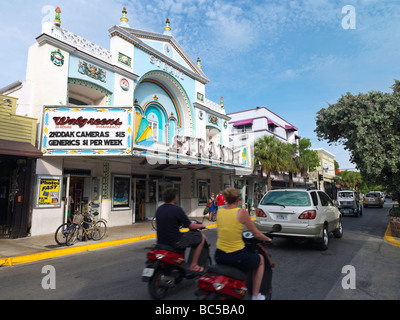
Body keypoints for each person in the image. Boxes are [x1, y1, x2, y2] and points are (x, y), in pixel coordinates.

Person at [215, 187, 272, 300]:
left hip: (219, 255)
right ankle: (255, 296)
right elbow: (256, 234)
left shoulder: (220, 211)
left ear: (226, 199)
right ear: (238, 199)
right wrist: (268, 239)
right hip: (237, 256)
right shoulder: (241, 212)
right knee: (260, 260)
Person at [156, 187, 207, 273]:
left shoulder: (159, 209)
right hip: (175, 241)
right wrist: (202, 225)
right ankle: (194, 265)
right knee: (201, 237)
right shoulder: (177, 209)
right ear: (174, 197)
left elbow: (169, 221)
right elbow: (191, 226)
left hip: (161, 241)